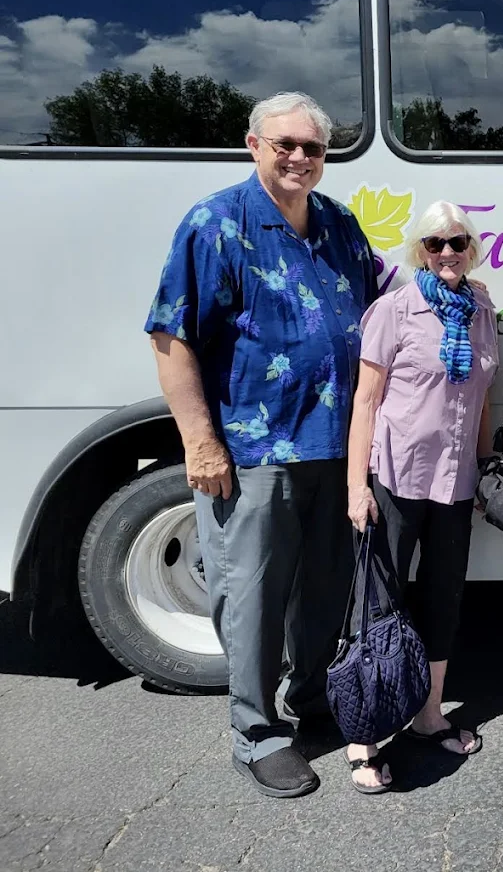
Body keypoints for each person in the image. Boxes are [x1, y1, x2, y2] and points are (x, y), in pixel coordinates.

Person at [146, 91, 377, 798]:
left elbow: (378, 308)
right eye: (286, 145)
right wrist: (201, 443)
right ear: (254, 145)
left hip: (335, 447)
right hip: (254, 450)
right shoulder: (217, 222)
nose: (301, 158)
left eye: (313, 148)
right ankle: (257, 732)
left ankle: (309, 704)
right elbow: (170, 334)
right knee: (250, 594)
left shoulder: (339, 224)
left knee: (321, 591)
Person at [342, 202, 498, 793]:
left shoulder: (481, 309)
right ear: (421, 252)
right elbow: (366, 401)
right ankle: (366, 732)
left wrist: (486, 469)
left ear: (471, 247)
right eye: (435, 243)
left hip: (455, 482)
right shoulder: (394, 310)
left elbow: (481, 397)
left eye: (457, 241)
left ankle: (428, 714)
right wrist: (358, 486)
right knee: (379, 602)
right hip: (397, 478)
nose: (447, 252)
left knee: (443, 598)